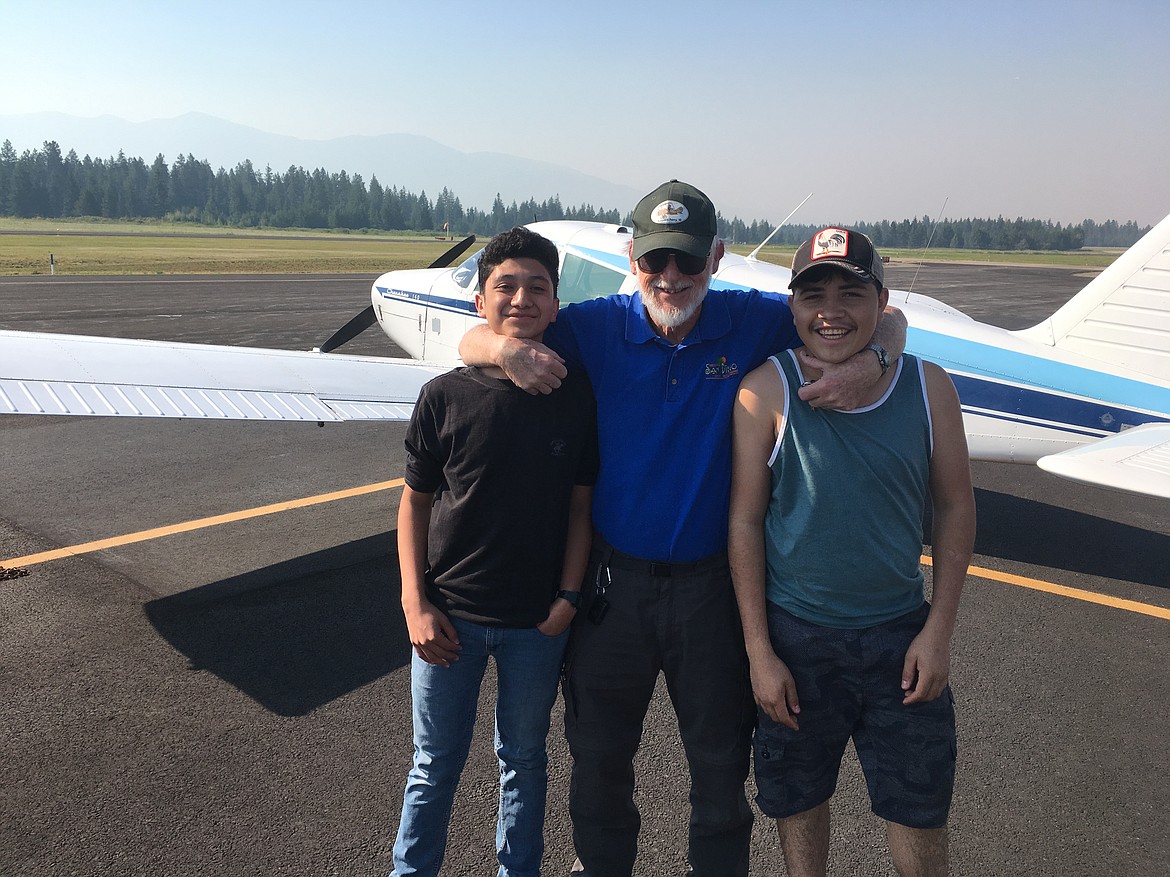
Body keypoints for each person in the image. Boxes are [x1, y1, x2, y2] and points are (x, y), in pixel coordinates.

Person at [458, 180, 907, 877]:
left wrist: (878, 358)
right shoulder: (594, 326)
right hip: (614, 589)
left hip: (711, 591)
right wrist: (502, 352)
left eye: (688, 263)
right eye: (656, 260)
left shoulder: (752, 319)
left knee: (721, 764)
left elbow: (880, 316)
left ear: (718, 258)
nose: (671, 278)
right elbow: (480, 332)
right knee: (600, 756)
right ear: (632, 256)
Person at [727, 227, 976, 877]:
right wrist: (759, 650)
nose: (830, 310)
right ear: (793, 307)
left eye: (850, 292)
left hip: (900, 634)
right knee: (799, 797)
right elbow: (745, 521)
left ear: (882, 301)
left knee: (920, 813)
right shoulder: (764, 391)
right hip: (796, 638)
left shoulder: (930, 388)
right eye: (813, 294)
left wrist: (939, 631)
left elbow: (955, 506)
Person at [391, 226, 599, 877]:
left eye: (538, 286)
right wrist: (414, 603)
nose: (521, 297)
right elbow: (414, 502)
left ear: (556, 303)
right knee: (434, 763)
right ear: (480, 302)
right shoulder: (444, 396)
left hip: (535, 623)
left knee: (525, 760)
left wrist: (568, 597)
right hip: (449, 616)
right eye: (505, 285)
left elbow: (579, 508)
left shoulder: (576, 397)